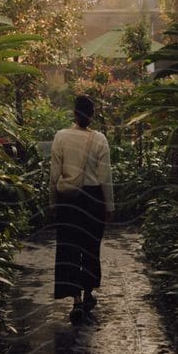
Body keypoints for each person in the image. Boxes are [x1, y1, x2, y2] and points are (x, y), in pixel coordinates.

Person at [50, 93, 114, 325]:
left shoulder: (61, 137)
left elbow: (54, 175)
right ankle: (88, 294)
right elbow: (105, 177)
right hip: (93, 200)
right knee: (90, 248)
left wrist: (53, 202)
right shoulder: (100, 139)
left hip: (69, 201)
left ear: (74, 114)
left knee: (69, 249)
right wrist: (110, 205)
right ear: (93, 115)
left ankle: (76, 299)